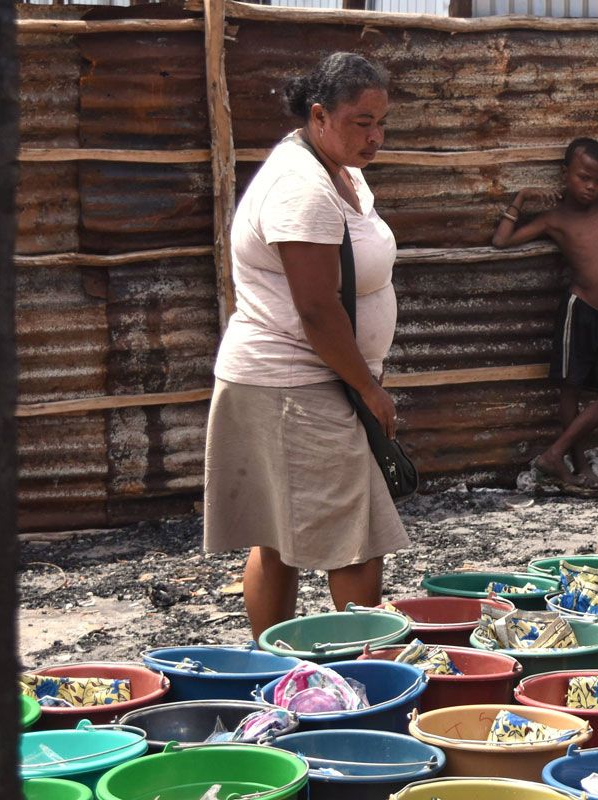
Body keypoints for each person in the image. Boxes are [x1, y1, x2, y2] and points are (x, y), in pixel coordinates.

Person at [203, 53, 407, 638]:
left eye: (381, 123)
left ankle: (278, 664)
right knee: (356, 543)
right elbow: (317, 310)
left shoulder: (338, 170)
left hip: (298, 381)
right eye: (360, 122)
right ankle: (360, 674)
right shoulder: (302, 188)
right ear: (319, 115)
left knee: (282, 539)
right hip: (293, 385)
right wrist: (368, 388)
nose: (375, 136)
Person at [493, 137, 598, 492]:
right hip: (579, 311)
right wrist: (520, 200)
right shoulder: (555, 218)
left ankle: (554, 454)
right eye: (584, 177)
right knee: (571, 391)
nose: (591, 187)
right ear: (565, 173)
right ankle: (578, 465)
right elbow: (502, 241)